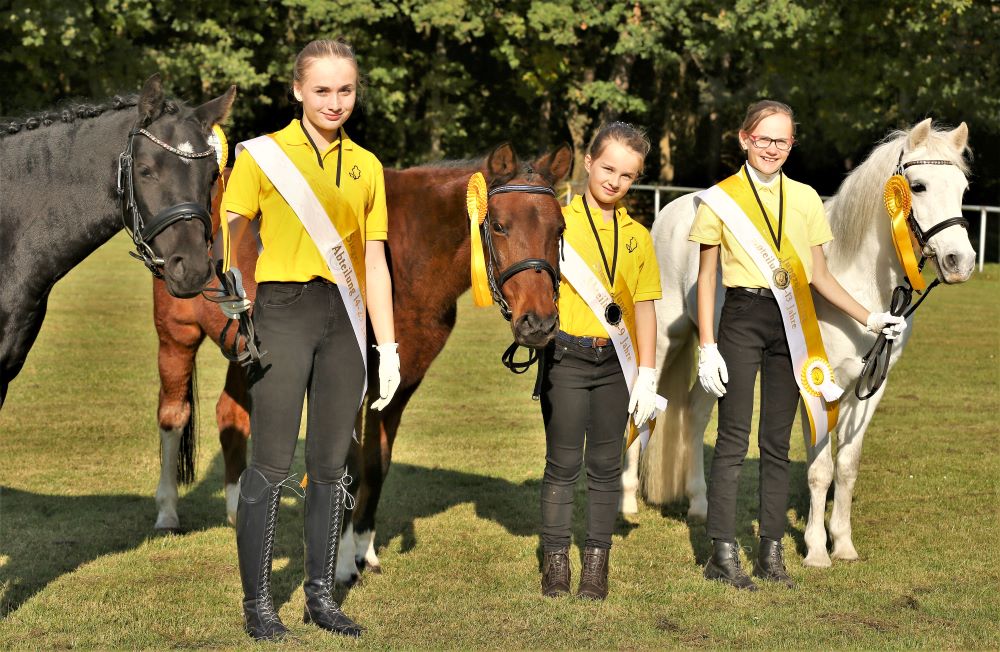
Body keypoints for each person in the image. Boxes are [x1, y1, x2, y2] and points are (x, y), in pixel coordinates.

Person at [218, 38, 400, 640]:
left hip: (344, 322)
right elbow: (231, 231)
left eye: (345, 90)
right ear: (297, 90)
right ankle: (258, 605)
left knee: (330, 465)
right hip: (282, 310)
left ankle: (321, 597)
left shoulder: (368, 165)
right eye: (322, 89)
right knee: (270, 464)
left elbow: (373, 260)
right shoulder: (263, 156)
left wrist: (390, 345)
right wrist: (234, 302)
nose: (334, 101)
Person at [690, 100, 906, 590]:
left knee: (775, 442)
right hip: (741, 317)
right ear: (744, 138)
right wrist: (707, 344)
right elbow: (706, 280)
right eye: (764, 138)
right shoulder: (718, 199)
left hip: (792, 321)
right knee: (731, 438)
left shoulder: (807, 197)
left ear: (792, 144)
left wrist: (868, 316)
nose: (772, 148)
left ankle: (770, 552)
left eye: (782, 140)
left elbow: (821, 276)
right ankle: (722, 552)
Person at [539, 122, 662, 601]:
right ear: (589, 163)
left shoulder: (640, 237)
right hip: (567, 357)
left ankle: (595, 563)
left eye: (627, 175)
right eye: (608, 167)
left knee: (607, 466)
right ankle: (555, 563)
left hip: (617, 364)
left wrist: (647, 373)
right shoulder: (556, 224)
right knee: (563, 463)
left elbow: (647, 307)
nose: (614, 180)